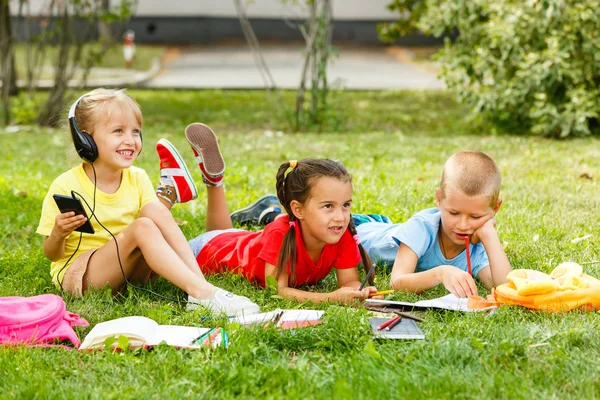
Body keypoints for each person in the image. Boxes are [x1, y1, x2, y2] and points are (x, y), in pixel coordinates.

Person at [36, 88, 259, 317]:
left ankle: (202, 290)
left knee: (153, 210)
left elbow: (158, 225)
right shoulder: (66, 185)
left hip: (132, 271)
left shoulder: (137, 177)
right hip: (82, 277)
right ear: (86, 139)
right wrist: (59, 233)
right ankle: (201, 292)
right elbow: (52, 254)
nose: (130, 140)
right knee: (143, 226)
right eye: (118, 131)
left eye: (135, 132)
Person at [155, 123, 382, 304]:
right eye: (328, 206)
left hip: (236, 240)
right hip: (205, 251)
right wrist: (329, 299)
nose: (341, 216)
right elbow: (279, 291)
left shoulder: (340, 232)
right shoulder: (280, 233)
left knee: (222, 234)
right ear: (298, 209)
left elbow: (349, 282)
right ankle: (169, 190)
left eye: (346, 205)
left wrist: (360, 293)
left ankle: (214, 181)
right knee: (151, 249)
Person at [354, 151, 513, 298]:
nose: (463, 225)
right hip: (357, 232)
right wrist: (441, 273)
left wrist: (489, 233)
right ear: (439, 199)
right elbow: (397, 282)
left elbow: (504, 288)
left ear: (495, 209)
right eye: (454, 213)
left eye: (476, 216)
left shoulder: (478, 243)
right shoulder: (422, 227)